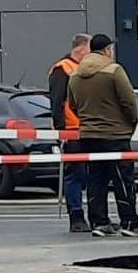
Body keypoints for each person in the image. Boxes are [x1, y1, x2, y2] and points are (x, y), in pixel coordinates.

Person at [67, 34, 138, 237]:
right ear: (107, 49)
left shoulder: (75, 75)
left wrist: (88, 122)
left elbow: (73, 105)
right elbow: (129, 102)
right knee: (123, 180)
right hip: (115, 135)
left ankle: (98, 221)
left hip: (88, 135)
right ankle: (129, 222)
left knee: (96, 180)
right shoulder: (114, 70)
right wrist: (130, 125)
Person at [48, 33, 91, 233]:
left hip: (88, 129)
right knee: (74, 174)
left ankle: (96, 217)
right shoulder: (63, 69)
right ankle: (76, 215)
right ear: (82, 49)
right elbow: (57, 102)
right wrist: (60, 131)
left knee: (90, 175)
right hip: (72, 130)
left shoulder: (82, 69)